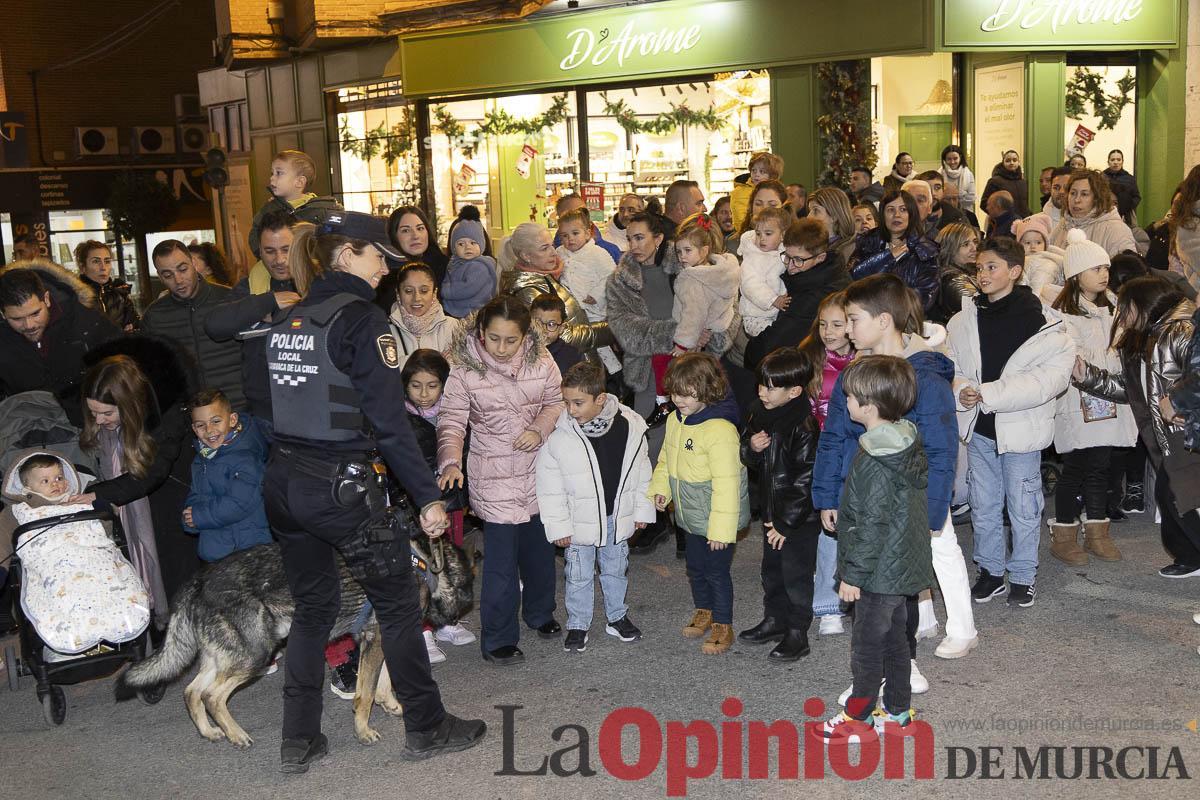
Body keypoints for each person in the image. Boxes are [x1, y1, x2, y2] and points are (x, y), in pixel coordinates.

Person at [262, 210, 485, 770]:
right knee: (399, 607)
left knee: (313, 607)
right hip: (340, 487)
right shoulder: (363, 321)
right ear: (345, 257)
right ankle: (428, 726)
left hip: (285, 482)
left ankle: (299, 736)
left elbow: (266, 404)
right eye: (373, 254)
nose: (383, 264)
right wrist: (428, 494)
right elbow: (389, 423)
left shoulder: (293, 318)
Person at [818, 274, 977, 668]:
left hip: (916, 487)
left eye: (853, 320)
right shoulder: (857, 372)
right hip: (869, 489)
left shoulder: (923, 375)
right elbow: (834, 435)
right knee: (888, 558)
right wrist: (827, 495)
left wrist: (935, 508)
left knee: (938, 547)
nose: (847, 330)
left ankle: (963, 628)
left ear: (884, 321)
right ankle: (922, 619)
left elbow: (941, 447)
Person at [947, 237, 1075, 608]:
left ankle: (1022, 574)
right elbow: (952, 365)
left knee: (1024, 504)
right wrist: (964, 389)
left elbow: (1047, 381)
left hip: (1021, 430)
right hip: (980, 429)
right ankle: (990, 572)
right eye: (979, 267)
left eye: (992, 267)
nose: (982, 274)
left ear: (1015, 271)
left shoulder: (1044, 323)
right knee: (983, 504)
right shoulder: (964, 318)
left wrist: (989, 393)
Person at [437, 295, 564, 665]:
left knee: (540, 553)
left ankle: (540, 613)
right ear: (480, 332)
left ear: (525, 336)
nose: (503, 348)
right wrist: (448, 461)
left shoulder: (541, 358)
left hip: (539, 468)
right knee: (501, 564)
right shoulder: (463, 368)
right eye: (494, 339)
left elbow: (555, 401)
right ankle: (497, 638)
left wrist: (540, 429)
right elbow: (452, 420)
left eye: (512, 340)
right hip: (492, 472)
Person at [821, 354, 932, 739]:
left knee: (867, 646)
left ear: (867, 408)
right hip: (900, 565)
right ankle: (898, 712)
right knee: (896, 640)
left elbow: (872, 522)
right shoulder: (903, 439)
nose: (845, 402)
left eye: (849, 397)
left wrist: (853, 575)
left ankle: (859, 717)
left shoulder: (876, 458)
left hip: (878, 570)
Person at [1077, 277, 1200, 580]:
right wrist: (1087, 376)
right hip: (1159, 433)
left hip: (1183, 430)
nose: (1121, 313)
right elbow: (1131, 389)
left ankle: (1191, 554)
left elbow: (1196, 377)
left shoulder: (1180, 332)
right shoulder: (1140, 339)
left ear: (1144, 304)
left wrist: (1180, 402)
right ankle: (1189, 556)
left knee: (1179, 496)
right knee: (1169, 494)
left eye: (1125, 306)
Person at [76, 350, 199, 627]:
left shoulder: (166, 419)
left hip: (171, 501)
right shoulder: (109, 423)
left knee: (175, 578)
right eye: (93, 412)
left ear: (129, 405)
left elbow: (148, 475)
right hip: (143, 503)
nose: (98, 421)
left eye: (107, 413)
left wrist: (98, 494)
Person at [536, 361, 653, 653]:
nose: (570, 410)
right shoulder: (560, 437)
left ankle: (617, 617)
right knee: (577, 574)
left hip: (617, 517)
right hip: (578, 522)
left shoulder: (631, 425)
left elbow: (641, 472)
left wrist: (642, 510)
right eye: (566, 402)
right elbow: (550, 489)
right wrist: (559, 527)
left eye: (577, 402)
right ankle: (578, 624)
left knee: (616, 569)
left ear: (600, 399)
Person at [0, 451, 149, 656]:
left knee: (110, 585)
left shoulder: (82, 501)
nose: (56, 484)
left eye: (59, 478)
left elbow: (106, 525)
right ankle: (72, 643)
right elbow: (2, 542)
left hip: (94, 559)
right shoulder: (17, 512)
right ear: (26, 487)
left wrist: (98, 504)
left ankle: (112, 632)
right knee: (64, 594)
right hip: (52, 565)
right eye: (45, 480)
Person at [648, 353, 749, 656]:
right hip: (689, 512)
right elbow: (666, 458)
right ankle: (703, 609)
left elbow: (727, 483)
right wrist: (661, 488)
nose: (678, 399)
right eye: (674, 392)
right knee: (695, 568)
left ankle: (722, 623)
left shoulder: (719, 430)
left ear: (708, 390)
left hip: (716, 515)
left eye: (687, 394)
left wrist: (721, 530)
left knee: (717, 571)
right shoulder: (676, 419)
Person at [1044, 231, 1135, 565]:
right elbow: (1075, 361)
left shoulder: (1115, 309)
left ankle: (1097, 532)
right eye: (1095, 268)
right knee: (1077, 466)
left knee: (1101, 466)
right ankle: (1065, 534)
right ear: (1075, 275)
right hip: (1079, 403)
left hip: (1110, 400)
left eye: (1105, 267)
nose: (1104, 273)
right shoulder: (1062, 315)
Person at [737, 348, 820, 661]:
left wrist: (787, 523)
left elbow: (805, 481)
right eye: (761, 384)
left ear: (794, 391)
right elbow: (751, 455)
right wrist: (751, 447)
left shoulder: (803, 426)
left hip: (798, 519)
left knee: (795, 575)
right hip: (773, 512)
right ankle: (774, 620)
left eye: (770, 387)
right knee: (771, 571)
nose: (762, 392)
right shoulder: (759, 412)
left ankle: (797, 632)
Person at [401, 349, 476, 663]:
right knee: (422, 569)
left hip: (452, 500)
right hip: (415, 505)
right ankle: (423, 631)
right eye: (416, 385)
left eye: (432, 385)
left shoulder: (456, 411)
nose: (424, 393)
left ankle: (447, 620)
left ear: (445, 385)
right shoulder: (397, 417)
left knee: (451, 562)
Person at [204, 211, 300, 422]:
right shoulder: (253, 284)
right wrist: (269, 301)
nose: (279, 260)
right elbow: (214, 325)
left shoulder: (320, 281)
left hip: (309, 405)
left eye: (286, 249)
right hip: (264, 411)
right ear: (259, 252)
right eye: (270, 251)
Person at [796, 292, 854, 634]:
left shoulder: (867, 356)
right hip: (822, 450)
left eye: (837, 324)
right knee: (828, 526)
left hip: (860, 452)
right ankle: (828, 604)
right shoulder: (809, 356)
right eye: (823, 324)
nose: (828, 332)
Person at [651, 213, 739, 420]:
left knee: (670, 366)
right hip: (717, 330)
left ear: (705, 249)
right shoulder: (720, 271)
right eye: (679, 251)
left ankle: (664, 402)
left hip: (697, 336)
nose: (682, 256)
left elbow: (693, 314)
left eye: (687, 250)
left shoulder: (691, 278)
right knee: (712, 385)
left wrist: (683, 344)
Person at [142, 239, 245, 410]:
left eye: (183, 269)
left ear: (193, 264)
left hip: (237, 409)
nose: (178, 279)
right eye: (168, 275)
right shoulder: (154, 317)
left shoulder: (230, 299)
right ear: (160, 277)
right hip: (189, 418)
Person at [0, 263, 120, 405]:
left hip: (89, 419)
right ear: (2, 314)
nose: (29, 325)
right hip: (24, 422)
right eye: (17, 319)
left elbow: (126, 369)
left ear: (46, 299)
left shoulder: (85, 321)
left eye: (35, 313)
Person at [744, 217, 851, 372]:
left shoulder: (816, 295)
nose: (790, 266)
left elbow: (770, 346)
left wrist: (751, 350)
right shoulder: (831, 270)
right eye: (787, 257)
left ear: (820, 257)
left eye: (798, 260)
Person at [181, 388, 273, 562]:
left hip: (249, 551)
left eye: (216, 421)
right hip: (219, 553)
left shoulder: (246, 457)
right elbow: (197, 494)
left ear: (232, 419)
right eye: (201, 425)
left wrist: (199, 516)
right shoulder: (202, 458)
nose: (209, 430)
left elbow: (240, 503)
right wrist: (189, 518)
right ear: (194, 429)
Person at [501, 223, 613, 361]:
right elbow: (562, 336)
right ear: (526, 256)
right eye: (544, 248)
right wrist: (612, 330)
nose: (554, 252)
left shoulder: (545, 275)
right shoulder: (527, 291)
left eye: (552, 245)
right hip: (565, 369)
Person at [850, 190, 940, 312]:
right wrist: (888, 256)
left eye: (903, 210)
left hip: (906, 321)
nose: (897, 215)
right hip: (866, 314)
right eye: (890, 210)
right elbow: (853, 277)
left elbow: (925, 297)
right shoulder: (867, 242)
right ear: (882, 215)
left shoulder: (925, 250)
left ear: (911, 214)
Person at [248, 149, 342, 261]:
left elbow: (336, 238)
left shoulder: (323, 209)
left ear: (299, 182)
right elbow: (255, 234)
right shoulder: (269, 208)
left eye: (279, 173)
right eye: (272, 173)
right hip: (278, 266)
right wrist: (265, 256)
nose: (272, 178)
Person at [556, 207, 619, 372]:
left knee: (595, 340)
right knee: (577, 342)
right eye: (564, 235)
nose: (570, 239)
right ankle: (585, 369)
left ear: (588, 233)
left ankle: (610, 370)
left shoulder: (597, 253)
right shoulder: (559, 253)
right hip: (570, 308)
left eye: (575, 233)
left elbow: (612, 276)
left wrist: (597, 294)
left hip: (593, 307)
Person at [1049, 169, 1138, 259]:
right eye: (1073, 193)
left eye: (1084, 194)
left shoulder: (1117, 229)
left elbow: (1127, 269)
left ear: (1097, 198)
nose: (1077, 200)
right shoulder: (1063, 225)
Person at [387, 263, 460, 371]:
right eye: (408, 291)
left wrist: (403, 363)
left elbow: (462, 373)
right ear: (398, 294)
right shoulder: (385, 331)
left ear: (434, 293)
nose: (417, 298)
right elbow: (384, 373)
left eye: (424, 291)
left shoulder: (454, 328)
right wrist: (436, 362)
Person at [738, 206, 791, 338]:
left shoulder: (785, 252)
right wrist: (773, 300)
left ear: (783, 235)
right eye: (758, 233)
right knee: (776, 338)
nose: (761, 238)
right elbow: (750, 285)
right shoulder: (752, 257)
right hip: (756, 316)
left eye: (768, 234)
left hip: (778, 313)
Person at [441, 215, 498, 319]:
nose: (468, 247)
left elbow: (468, 288)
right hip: (459, 309)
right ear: (454, 248)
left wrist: (446, 290)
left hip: (474, 310)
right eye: (461, 244)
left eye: (473, 243)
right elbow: (448, 279)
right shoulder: (455, 263)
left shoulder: (480, 266)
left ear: (481, 245)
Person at [74, 240, 138, 331]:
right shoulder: (73, 297)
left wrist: (131, 329)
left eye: (107, 261)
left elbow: (135, 324)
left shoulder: (120, 294)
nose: (103, 267)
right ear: (82, 267)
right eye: (96, 261)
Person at [931, 222, 980, 325]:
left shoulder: (969, 271)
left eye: (975, 242)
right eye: (966, 244)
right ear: (950, 249)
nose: (974, 248)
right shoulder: (953, 280)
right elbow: (980, 311)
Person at [387, 205, 449, 287]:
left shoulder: (447, 267)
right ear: (394, 235)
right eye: (406, 230)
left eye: (420, 228)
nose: (415, 236)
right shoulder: (386, 274)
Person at [1014, 214, 1068, 304]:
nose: (1033, 246)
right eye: (1027, 243)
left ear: (1045, 244)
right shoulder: (1021, 261)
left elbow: (1038, 291)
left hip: (1038, 308)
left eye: (1038, 242)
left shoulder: (1046, 264)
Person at [552, 195, 620, 264]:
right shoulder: (555, 254)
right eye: (570, 215)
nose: (581, 216)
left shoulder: (610, 250)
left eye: (583, 211)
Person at [730, 152, 784, 235]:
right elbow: (741, 220)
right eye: (753, 170)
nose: (756, 175)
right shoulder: (740, 192)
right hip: (749, 233)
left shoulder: (778, 191)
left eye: (762, 171)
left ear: (773, 175)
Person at [531, 292, 583, 377]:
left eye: (551, 324)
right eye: (538, 323)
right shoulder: (520, 349)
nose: (543, 330)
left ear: (561, 328)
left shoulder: (572, 356)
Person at [732, 180, 787, 254]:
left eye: (772, 205)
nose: (764, 209)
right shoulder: (734, 243)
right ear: (751, 207)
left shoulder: (794, 244)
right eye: (758, 204)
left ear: (783, 208)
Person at [806, 187, 858, 265]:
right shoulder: (811, 245)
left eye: (816, 210)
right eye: (810, 211)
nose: (808, 217)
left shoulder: (848, 250)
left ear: (834, 216)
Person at [979, 150, 1031, 218]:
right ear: (1003, 163)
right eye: (1008, 160)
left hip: (1023, 222)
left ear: (1018, 162)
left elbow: (1025, 204)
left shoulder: (1023, 182)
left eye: (1014, 160)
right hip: (1002, 223)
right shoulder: (995, 181)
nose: (1011, 163)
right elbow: (984, 203)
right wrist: (999, 216)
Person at [916, 170, 965, 235]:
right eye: (927, 188)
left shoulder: (957, 218)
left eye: (937, 188)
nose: (933, 193)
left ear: (943, 191)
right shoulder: (908, 217)